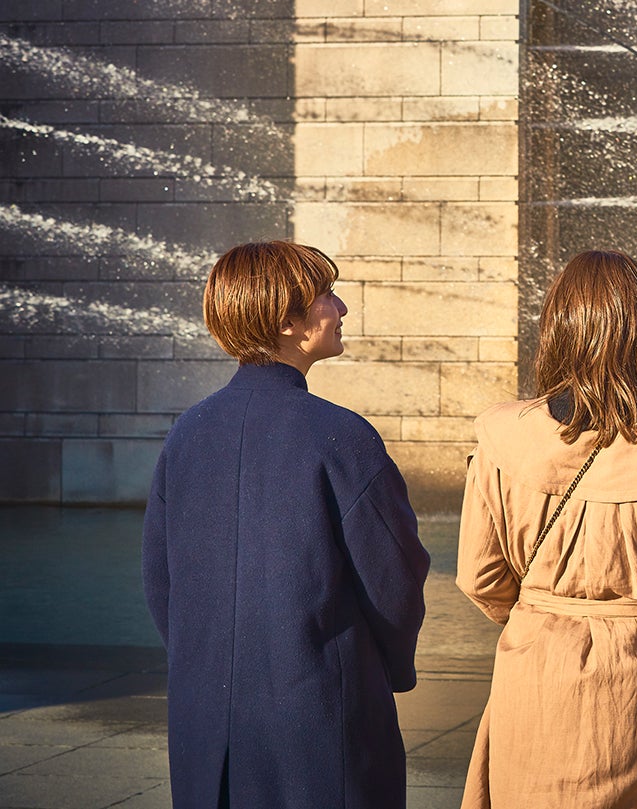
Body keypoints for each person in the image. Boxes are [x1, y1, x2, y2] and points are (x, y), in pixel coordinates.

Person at [456, 249, 637, 809]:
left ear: (557, 327)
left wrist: (545, 611)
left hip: (532, 678)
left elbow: (480, 578)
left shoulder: (501, 441)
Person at [142, 241, 430, 809]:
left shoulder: (187, 433)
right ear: (285, 321)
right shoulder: (342, 436)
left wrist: (204, 665)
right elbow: (394, 580)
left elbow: (161, 581)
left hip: (206, 722)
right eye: (327, 295)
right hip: (321, 717)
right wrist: (391, 670)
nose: (341, 308)